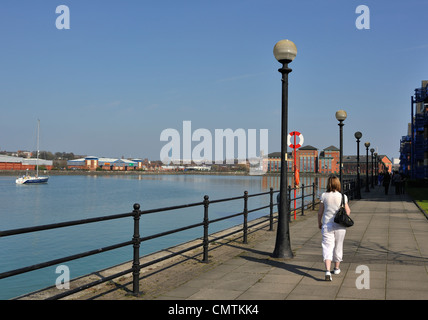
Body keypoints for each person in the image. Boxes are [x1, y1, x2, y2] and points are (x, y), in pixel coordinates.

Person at [317, 175, 351, 281]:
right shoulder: (342, 196)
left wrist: (319, 222)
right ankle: (336, 268)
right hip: (340, 225)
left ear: (328, 184)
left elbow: (320, 212)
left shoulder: (324, 196)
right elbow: (348, 211)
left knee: (327, 247)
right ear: (338, 183)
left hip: (327, 225)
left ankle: (327, 271)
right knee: (338, 246)